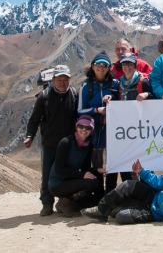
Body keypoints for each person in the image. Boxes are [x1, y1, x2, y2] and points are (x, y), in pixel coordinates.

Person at [81, 156, 163, 226]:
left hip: (155, 215)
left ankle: (116, 209)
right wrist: (141, 172)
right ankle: (101, 210)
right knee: (127, 184)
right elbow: (158, 182)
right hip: (152, 197)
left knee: (122, 217)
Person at [24, 64, 78, 216]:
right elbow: (35, 119)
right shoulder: (44, 96)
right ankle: (47, 203)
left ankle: (65, 202)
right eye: (59, 79)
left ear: (70, 80)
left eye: (65, 79)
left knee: (66, 173)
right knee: (47, 174)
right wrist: (30, 136)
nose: (63, 83)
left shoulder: (74, 94)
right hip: (50, 143)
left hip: (68, 144)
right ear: (53, 80)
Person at [77, 50, 120, 193]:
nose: (101, 68)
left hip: (114, 129)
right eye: (98, 65)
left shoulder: (115, 84)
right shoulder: (86, 86)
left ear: (109, 68)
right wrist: (97, 110)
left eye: (105, 65)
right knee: (97, 162)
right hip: (95, 131)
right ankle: (99, 192)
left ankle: (110, 192)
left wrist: (112, 103)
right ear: (92, 66)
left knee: (114, 161)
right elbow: (80, 110)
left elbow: (122, 104)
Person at [48, 115, 105, 217]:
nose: (84, 130)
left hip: (71, 180)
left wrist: (97, 170)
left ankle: (80, 203)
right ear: (76, 127)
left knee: (94, 200)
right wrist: (82, 175)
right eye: (81, 126)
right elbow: (59, 169)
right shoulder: (66, 143)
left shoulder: (87, 145)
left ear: (91, 130)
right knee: (92, 183)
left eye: (88, 128)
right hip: (58, 183)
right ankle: (65, 203)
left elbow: (85, 168)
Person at [116, 52, 154, 181]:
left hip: (143, 127)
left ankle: (147, 189)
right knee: (126, 159)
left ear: (135, 65)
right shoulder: (118, 84)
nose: (127, 66)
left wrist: (147, 94)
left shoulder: (143, 81)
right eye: (124, 64)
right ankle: (128, 188)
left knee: (145, 159)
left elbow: (155, 97)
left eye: (130, 63)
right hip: (125, 128)